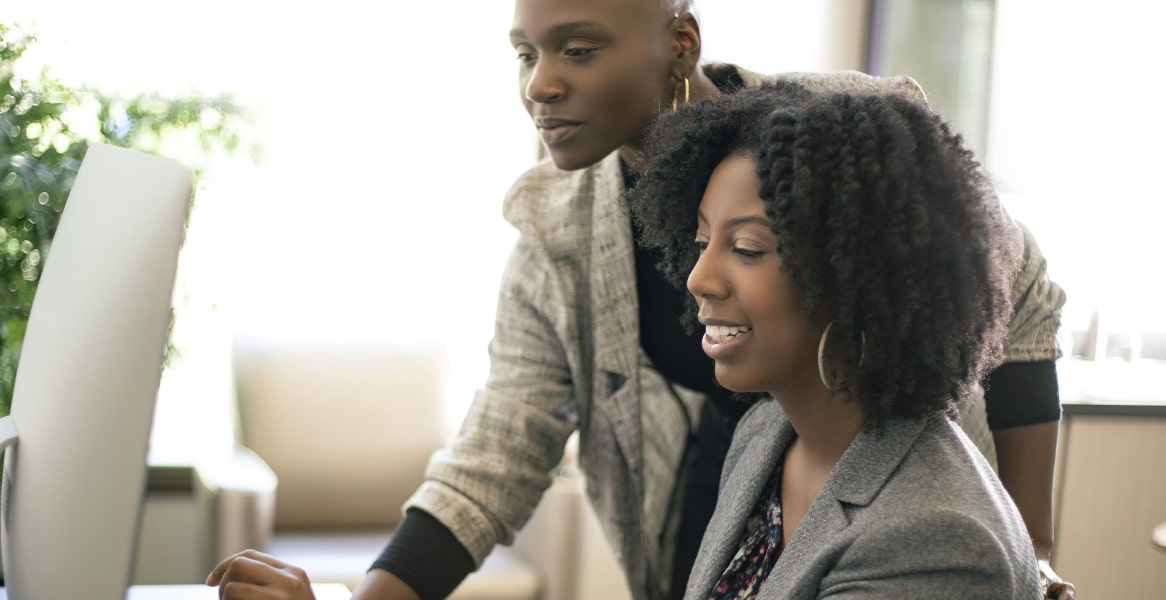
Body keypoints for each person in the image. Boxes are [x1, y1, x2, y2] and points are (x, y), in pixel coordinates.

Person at [207, 0, 1074, 598]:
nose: (539, 84)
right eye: (525, 52)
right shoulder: (556, 228)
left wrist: (1030, 541)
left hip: (882, 473)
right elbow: (497, 453)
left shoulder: (844, 137)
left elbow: (1020, 288)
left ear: (680, 45)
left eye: (577, 49)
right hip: (742, 471)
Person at [629, 80, 1039, 598]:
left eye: (748, 248)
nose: (698, 279)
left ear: (855, 280)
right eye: (703, 241)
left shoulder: (933, 540)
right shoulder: (765, 435)